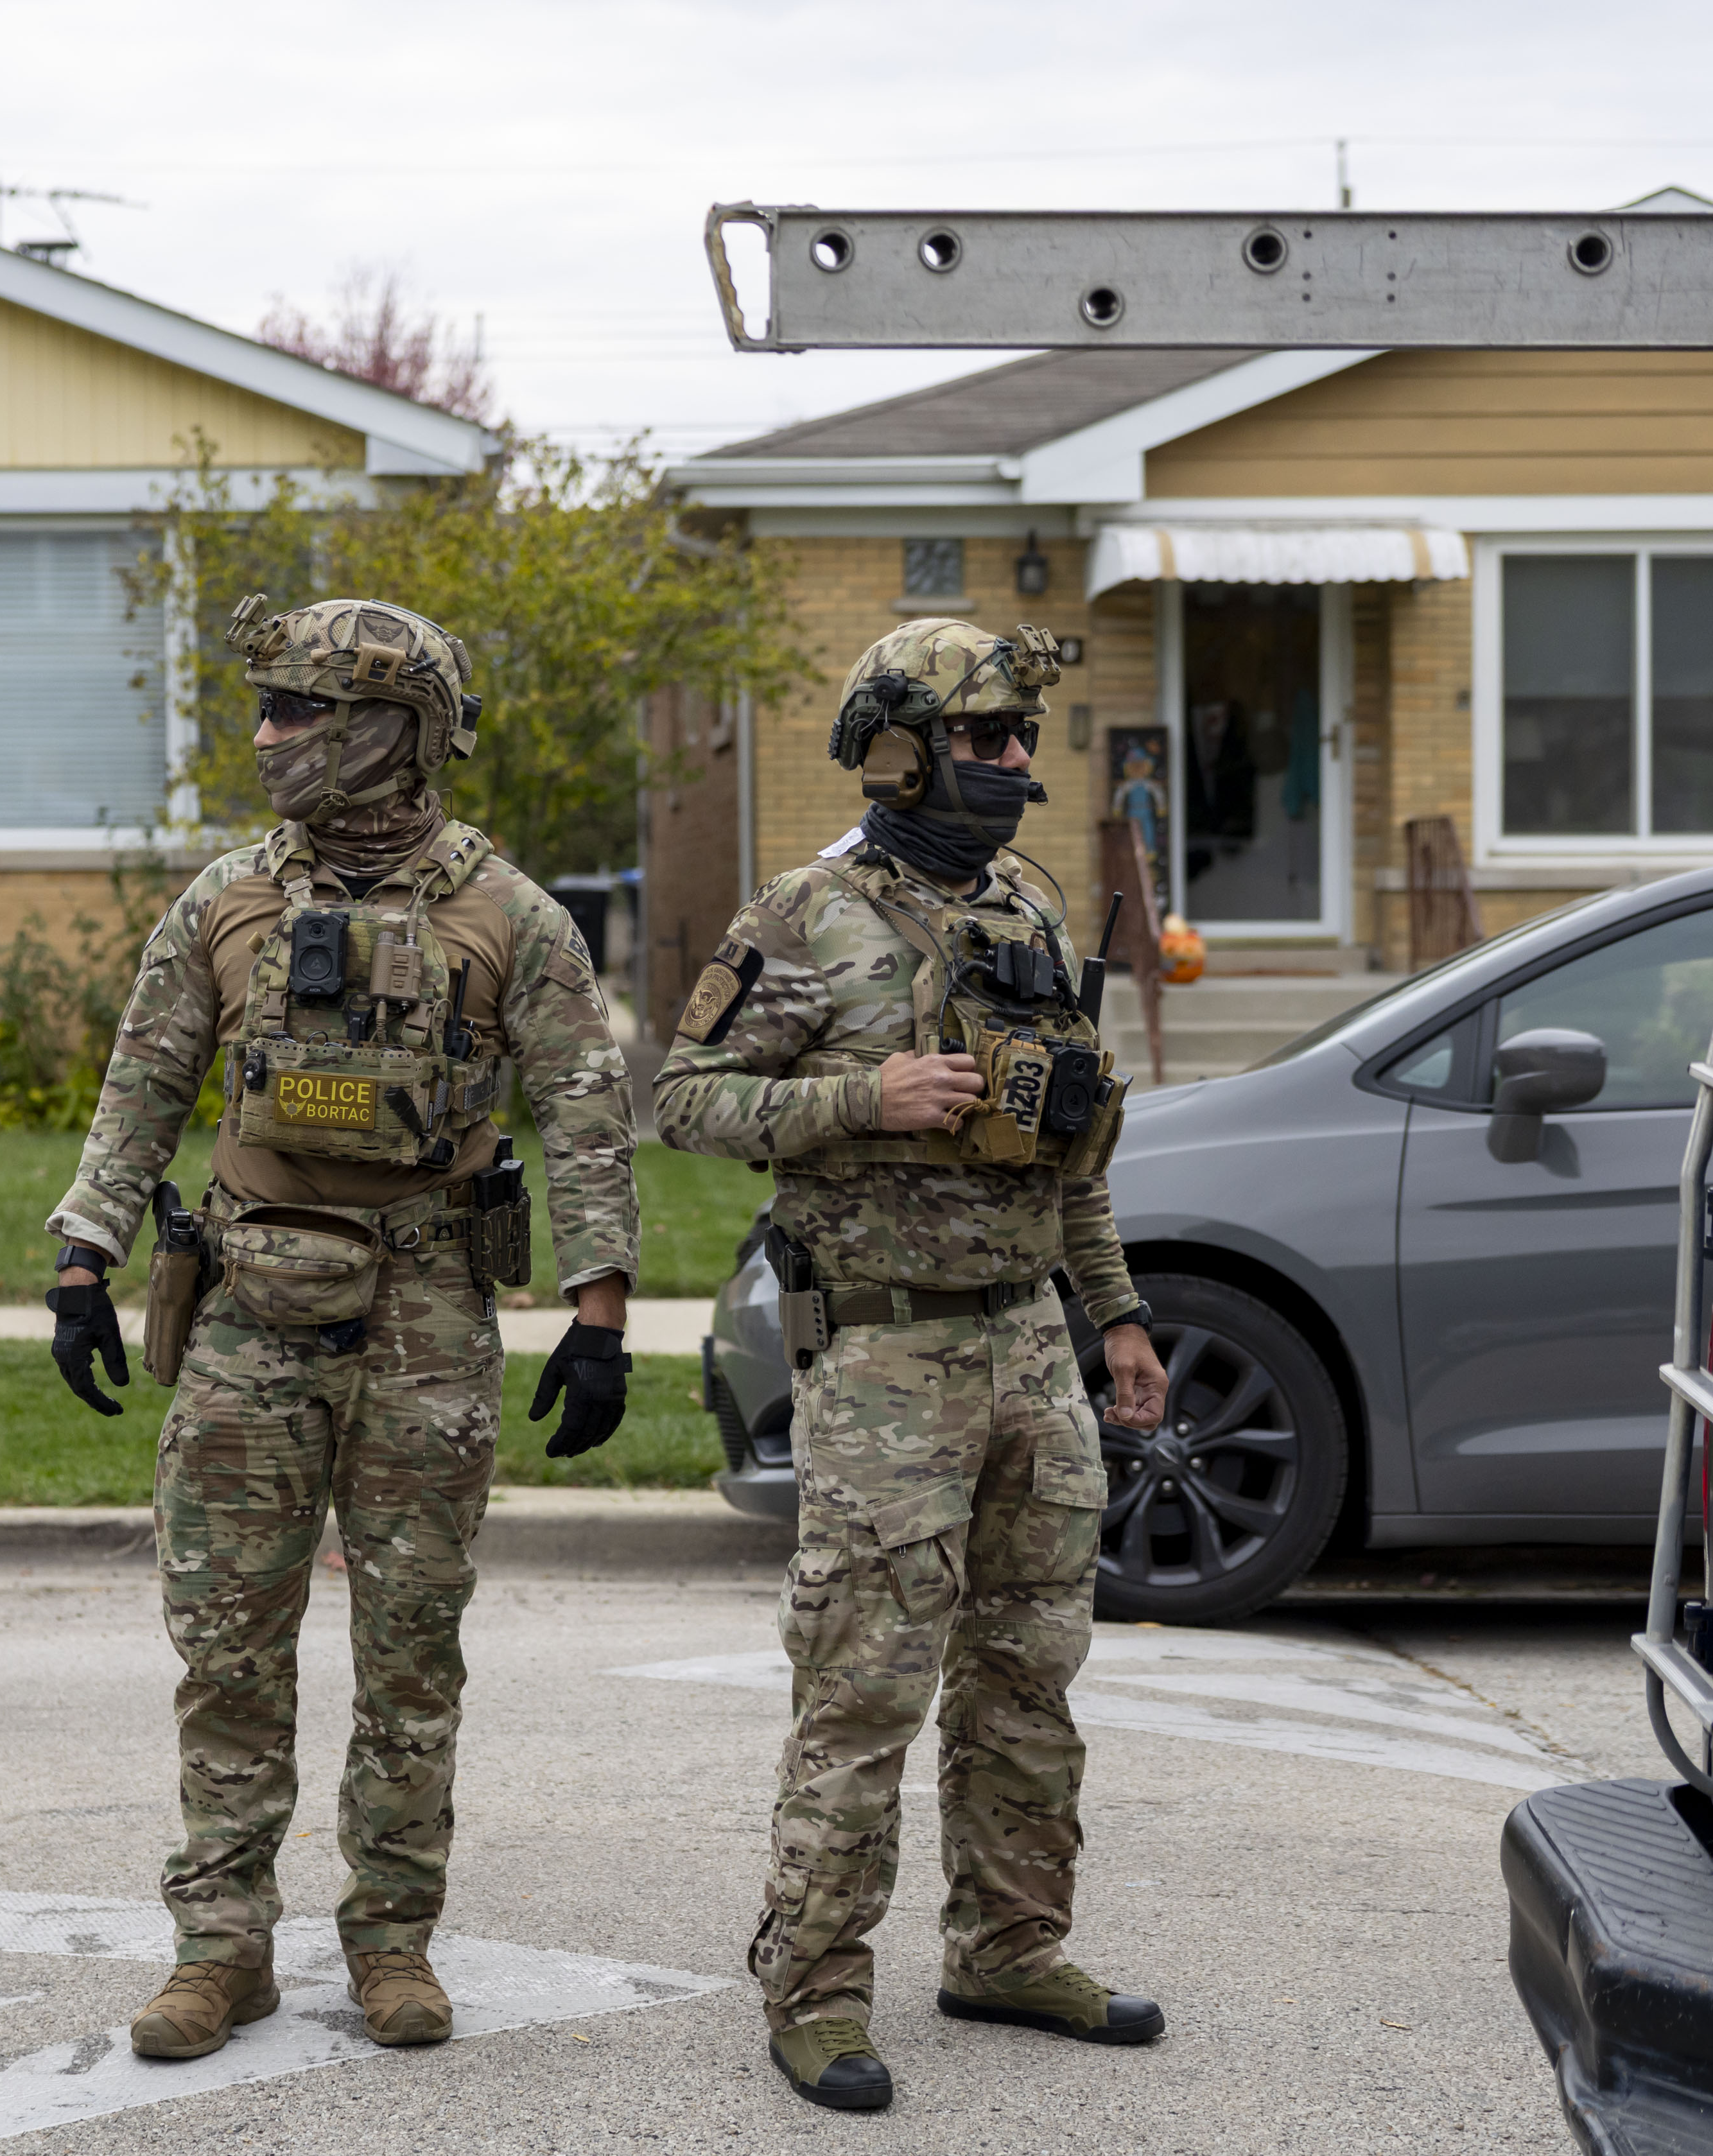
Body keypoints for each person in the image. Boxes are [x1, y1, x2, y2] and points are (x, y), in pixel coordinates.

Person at [42, 595, 639, 2063]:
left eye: (298, 710)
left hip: (429, 1309)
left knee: (410, 1647)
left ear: (392, 729)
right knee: (228, 1637)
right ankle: (220, 1946)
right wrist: (83, 1257)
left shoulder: (512, 919)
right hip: (249, 1307)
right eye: (271, 708)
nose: (269, 736)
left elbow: (584, 1121)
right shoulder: (224, 902)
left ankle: (390, 1941)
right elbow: (145, 1084)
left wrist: (600, 1311)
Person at [654, 616, 1172, 2111]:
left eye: (1023, 737)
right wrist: (858, 1094)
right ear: (897, 747)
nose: (1014, 760)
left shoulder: (1027, 903)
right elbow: (684, 1096)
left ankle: (1009, 1945)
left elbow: (1071, 1142)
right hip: (880, 1350)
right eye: (983, 736)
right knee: (863, 1686)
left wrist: (1117, 1314)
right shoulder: (804, 916)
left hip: (1026, 1339)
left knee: (1029, 1675)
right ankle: (811, 1989)